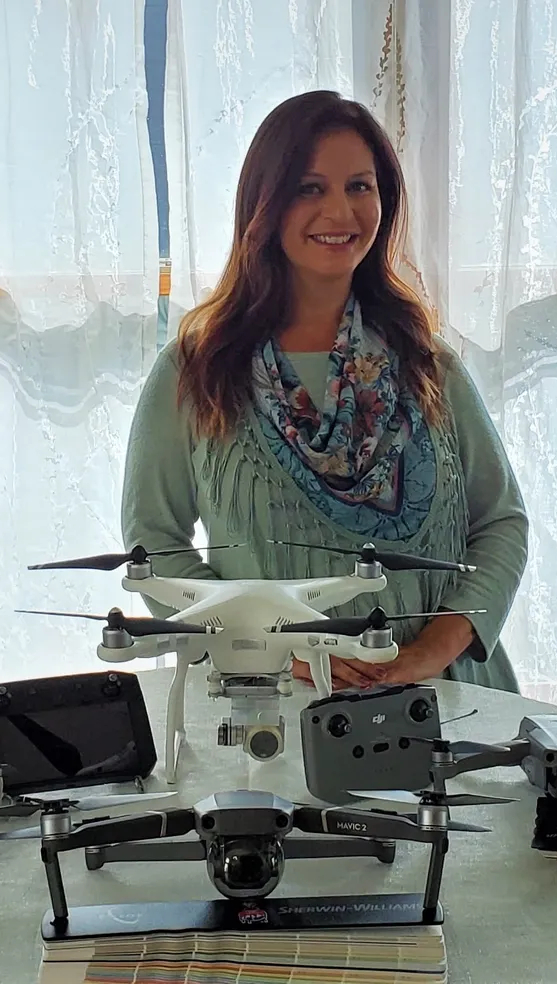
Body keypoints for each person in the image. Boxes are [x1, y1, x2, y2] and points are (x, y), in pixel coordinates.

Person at [121, 90, 529, 694]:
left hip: (453, 701)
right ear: (264, 204)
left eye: (360, 186)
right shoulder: (197, 371)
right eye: (310, 188)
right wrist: (266, 648)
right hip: (274, 704)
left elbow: (501, 523)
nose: (340, 212)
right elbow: (152, 545)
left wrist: (429, 652)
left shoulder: (427, 362)